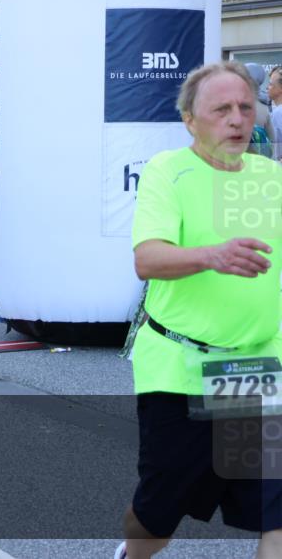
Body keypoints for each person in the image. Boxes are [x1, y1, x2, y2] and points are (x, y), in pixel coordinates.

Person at [115, 61, 282, 559]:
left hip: (252, 368)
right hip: (181, 366)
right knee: (158, 515)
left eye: (245, 108)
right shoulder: (169, 171)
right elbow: (147, 259)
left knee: (275, 513)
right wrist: (211, 256)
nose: (237, 119)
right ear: (190, 119)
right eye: (222, 109)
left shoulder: (272, 177)